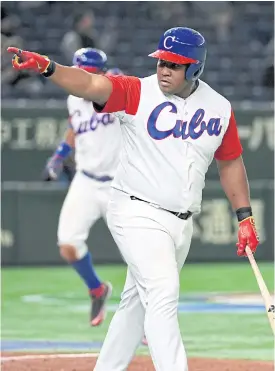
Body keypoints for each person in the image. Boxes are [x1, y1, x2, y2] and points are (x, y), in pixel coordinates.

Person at [8, 26, 259, 371]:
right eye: (161, 62)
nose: (164, 70)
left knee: (135, 305)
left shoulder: (219, 108)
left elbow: (230, 161)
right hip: (135, 210)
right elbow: (91, 85)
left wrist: (244, 216)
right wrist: (49, 67)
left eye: (174, 64)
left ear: (195, 68)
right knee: (163, 290)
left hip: (181, 223)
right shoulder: (137, 90)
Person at [42, 47, 122, 327]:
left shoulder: (113, 88)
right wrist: (59, 155)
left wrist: (111, 77)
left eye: (89, 74)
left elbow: (124, 84)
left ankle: (146, 319)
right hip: (86, 180)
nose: (83, 79)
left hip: (120, 185)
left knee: (139, 256)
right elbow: (74, 128)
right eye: (80, 73)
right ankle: (97, 289)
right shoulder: (73, 99)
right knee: (68, 245)